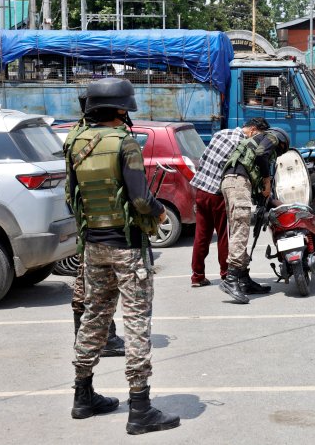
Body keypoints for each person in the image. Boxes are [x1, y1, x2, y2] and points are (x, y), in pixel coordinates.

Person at [65, 78, 179, 434]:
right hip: (126, 247)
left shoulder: (74, 141)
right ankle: (140, 408)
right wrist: (159, 213)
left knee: (95, 318)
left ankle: (83, 396)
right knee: (136, 322)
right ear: (119, 109)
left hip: (93, 245)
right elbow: (142, 199)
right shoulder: (124, 143)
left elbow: (72, 198)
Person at [65, 92, 125, 358]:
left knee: (92, 282)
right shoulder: (91, 135)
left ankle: (96, 336)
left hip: (86, 216)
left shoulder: (77, 133)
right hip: (98, 220)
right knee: (94, 285)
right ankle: (98, 338)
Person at [189, 117, 271, 290]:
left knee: (201, 235)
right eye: (258, 136)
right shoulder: (243, 143)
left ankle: (197, 276)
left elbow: (204, 159)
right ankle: (226, 274)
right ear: (254, 130)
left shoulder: (221, 133)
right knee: (226, 235)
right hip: (218, 193)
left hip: (201, 190)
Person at [219, 126, 291, 304]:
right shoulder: (272, 138)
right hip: (238, 183)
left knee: (239, 230)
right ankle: (231, 280)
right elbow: (260, 155)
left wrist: (272, 201)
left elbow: (256, 170)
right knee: (241, 232)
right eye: (279, 152)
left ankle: (243, 279)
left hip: (233, 182)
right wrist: (267, 180)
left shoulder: (254, 143)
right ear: (281, 143)